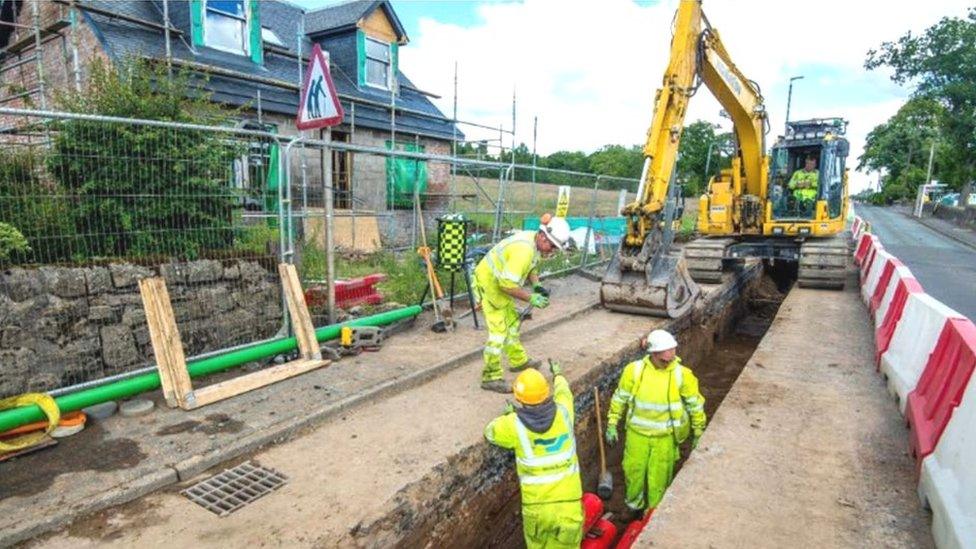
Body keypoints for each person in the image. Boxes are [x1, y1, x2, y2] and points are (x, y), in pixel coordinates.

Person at [604, 329, 706, 518]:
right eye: (664, 360)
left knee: (658, 478)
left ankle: (652, 514)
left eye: (672, 359)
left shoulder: (682, 375)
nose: (668, 363)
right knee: (633, 472)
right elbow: (620, 398)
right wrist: (612, 423)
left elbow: (695, 405)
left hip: (664, 438)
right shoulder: (634, 371)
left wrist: (698, 430)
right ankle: (633, 506)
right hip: (637, 435)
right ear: (652, 354)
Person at [484, 363, 583, 548]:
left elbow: (490, 432)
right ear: (546, 394)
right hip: (568, 506)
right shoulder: (564, 412)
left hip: (536, 509)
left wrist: (509, 417)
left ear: (519, 397)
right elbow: (564, 393)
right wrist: (559, 375)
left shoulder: (513, 426)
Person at [474, 216, 573, 393]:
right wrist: (530, 298)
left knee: (512, 324)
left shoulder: (534, 243)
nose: (552, 251)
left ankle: (518, 361)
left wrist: (537, 285)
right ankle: (491, 377)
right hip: (489, 284)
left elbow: (531, 267)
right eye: (552, 246)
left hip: (500, 283)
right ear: (543, 237)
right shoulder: (523, 250)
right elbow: (506, 285)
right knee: (498, 333)